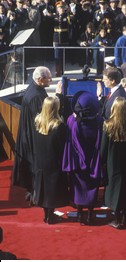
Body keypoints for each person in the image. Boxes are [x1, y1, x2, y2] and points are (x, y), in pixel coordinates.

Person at [62, 90, 103, 225]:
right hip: (94, 163)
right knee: (92, 188)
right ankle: (90, 215)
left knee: (78, 188)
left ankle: (80, 215)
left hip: (77, 163)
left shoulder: (71, 121)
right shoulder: (99, 121)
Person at [12, 66, 51, 204]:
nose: (50, 80)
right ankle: (35, 194)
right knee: (34, 166)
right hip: (33, 137)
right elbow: (41, 118)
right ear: (40, 80)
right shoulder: (36, 96)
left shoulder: (35, 89)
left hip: (28, 134)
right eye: (48, 78)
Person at [100, 96, 126, 229]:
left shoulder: (108, 125)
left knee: (114, 189)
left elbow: (103, 148)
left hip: (113, 163)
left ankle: (117, 218)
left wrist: (101, 161)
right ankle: (125, 216)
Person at [33, 96, 69, 224]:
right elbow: (62, 146)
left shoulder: (37, 121)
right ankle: (50, 215)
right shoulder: (59, 126)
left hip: (40, 161)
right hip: (54, 161)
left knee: (43, 188)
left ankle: (46, 215)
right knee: (52, 190)